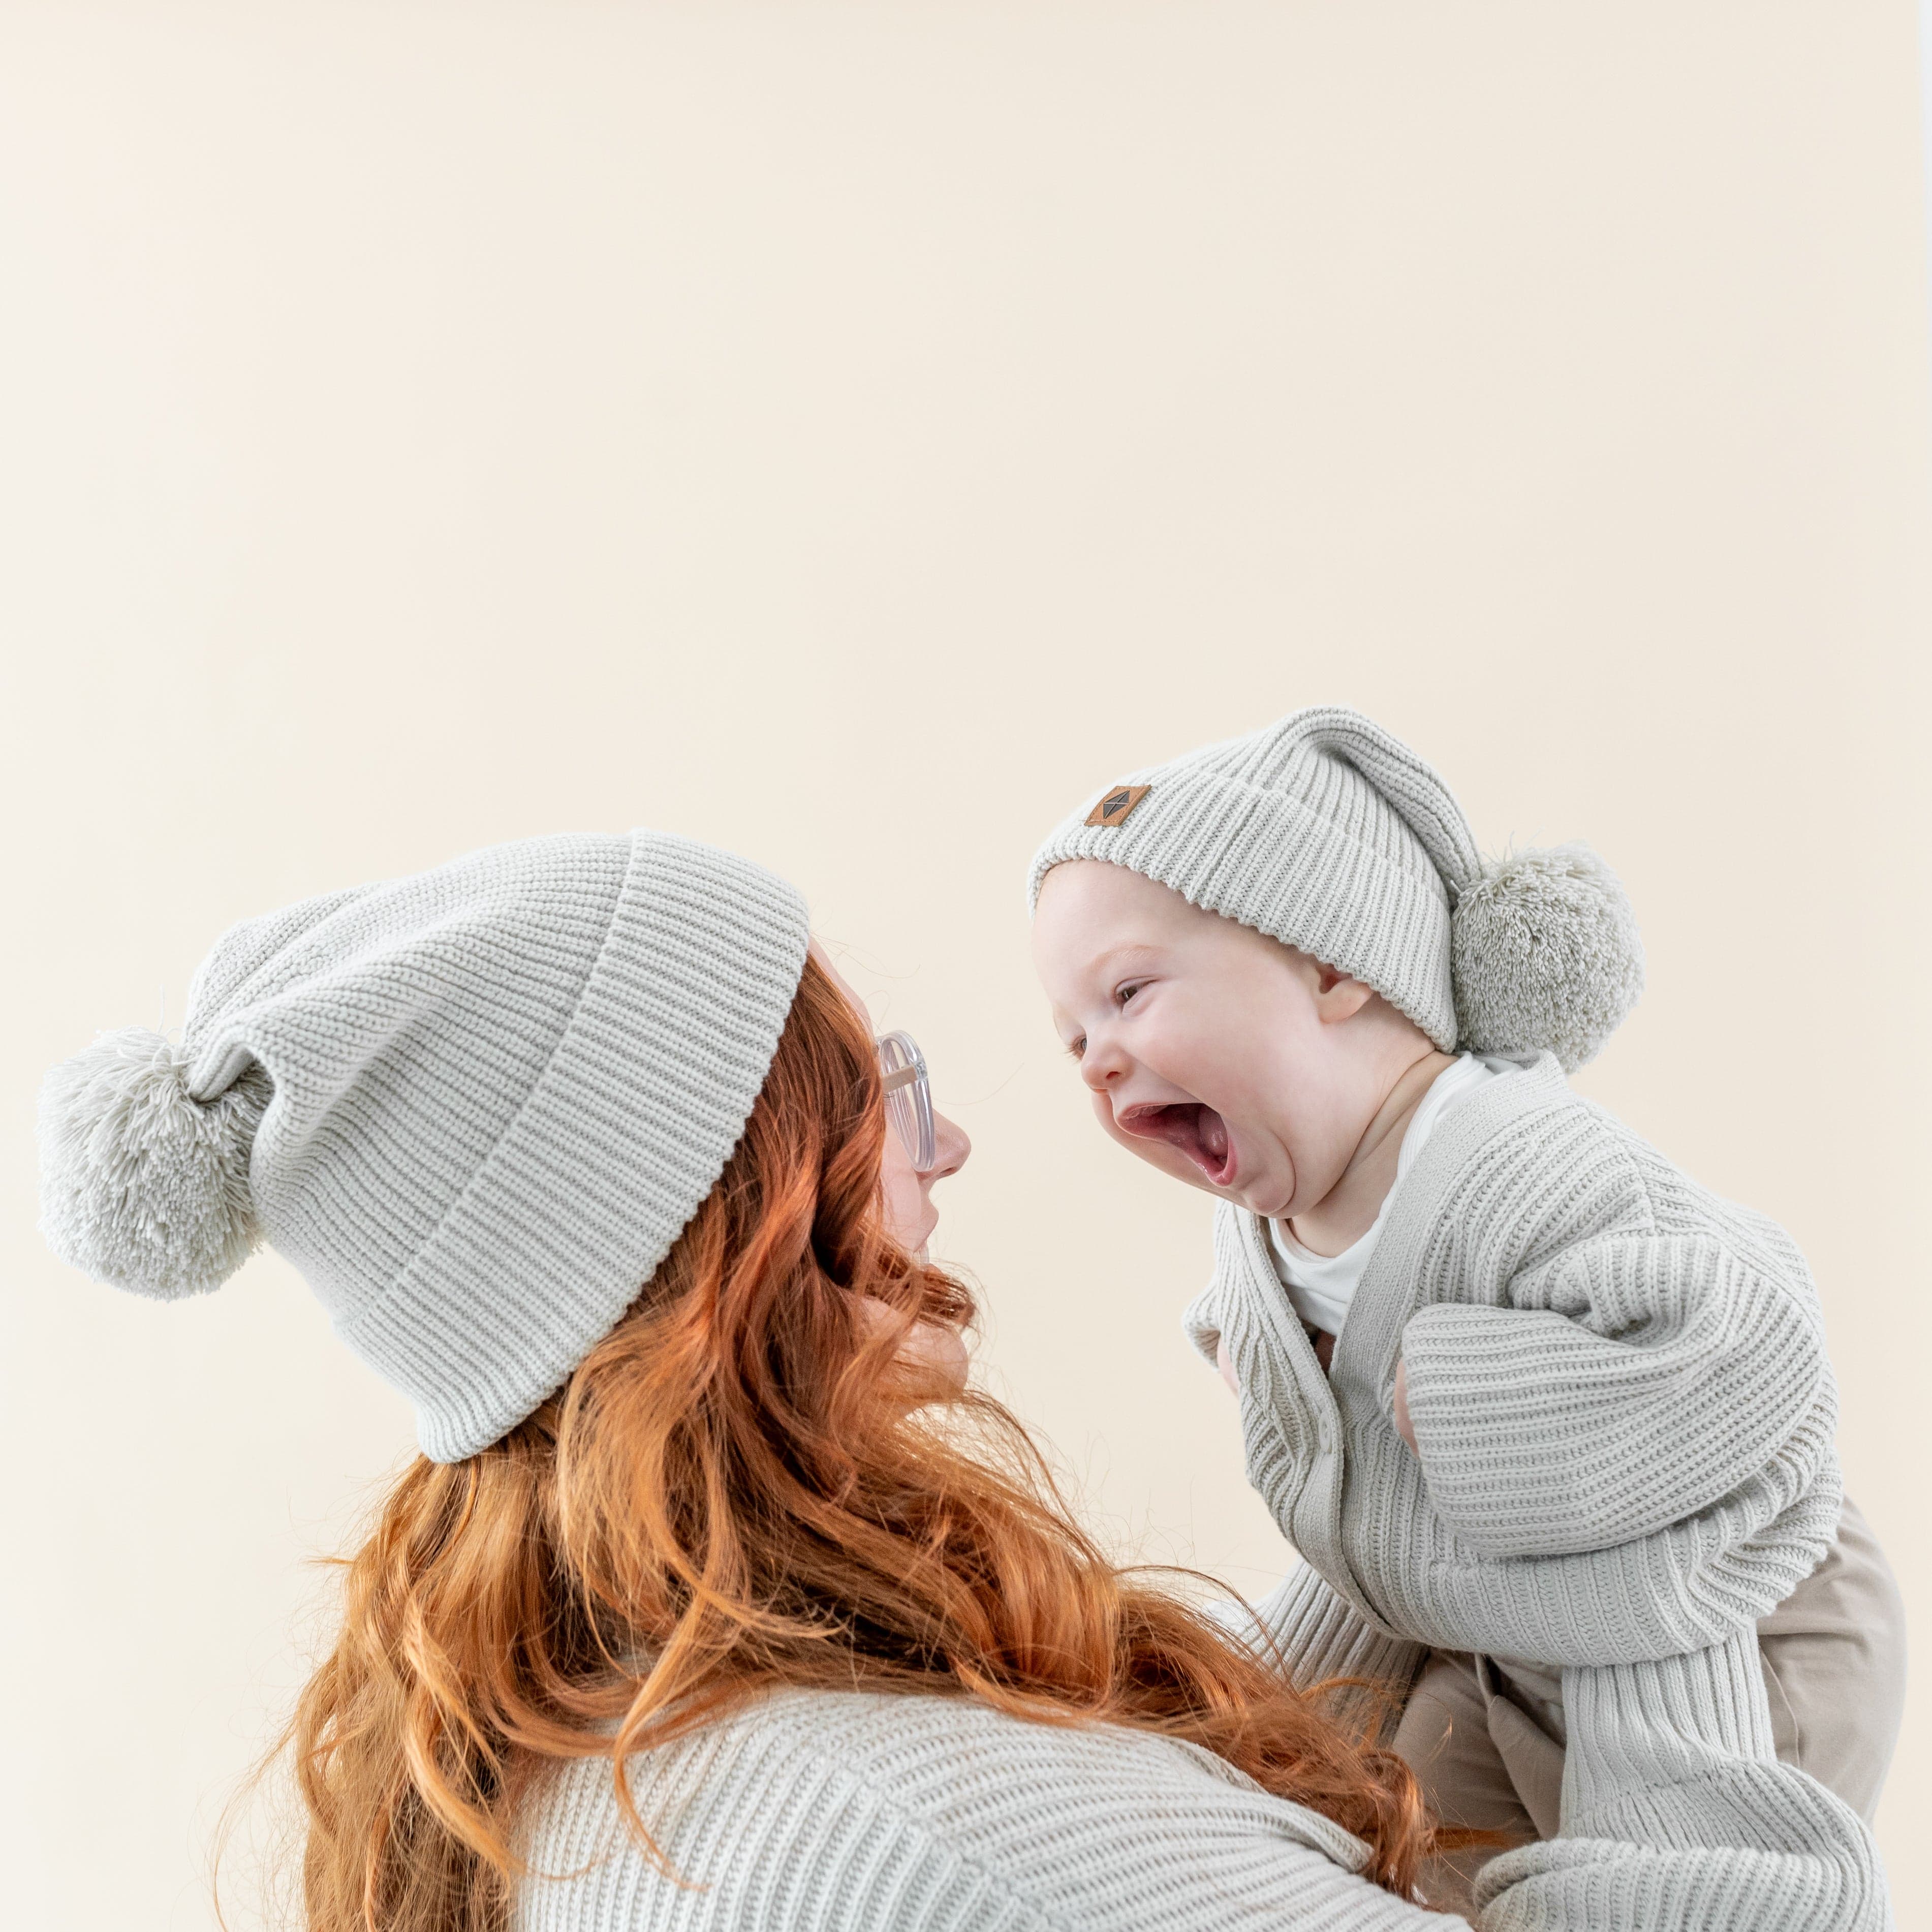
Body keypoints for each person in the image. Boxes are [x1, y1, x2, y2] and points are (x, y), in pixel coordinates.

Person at [37, 828, 1884, 1930]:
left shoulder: (614, 1742)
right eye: (886, 1099)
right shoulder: (936, 1845)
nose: (958, 1145)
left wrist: (1402, 1503)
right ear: (736, 1225)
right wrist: (1669, 1588)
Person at [1027, 705, 1905, 1916]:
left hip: (1726, 1613)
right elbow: (1365, 1525)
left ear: (1332, 967)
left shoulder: (1525, 1165)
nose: (1095, 1057)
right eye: (1072, 1032)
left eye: (1127, 992)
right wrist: (1238, 1737)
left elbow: (1752, 1350)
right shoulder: (1271, 1226)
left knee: (1677, 1892)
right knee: (1373, 1851)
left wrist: (1460, 1393)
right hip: (1490, 1624)